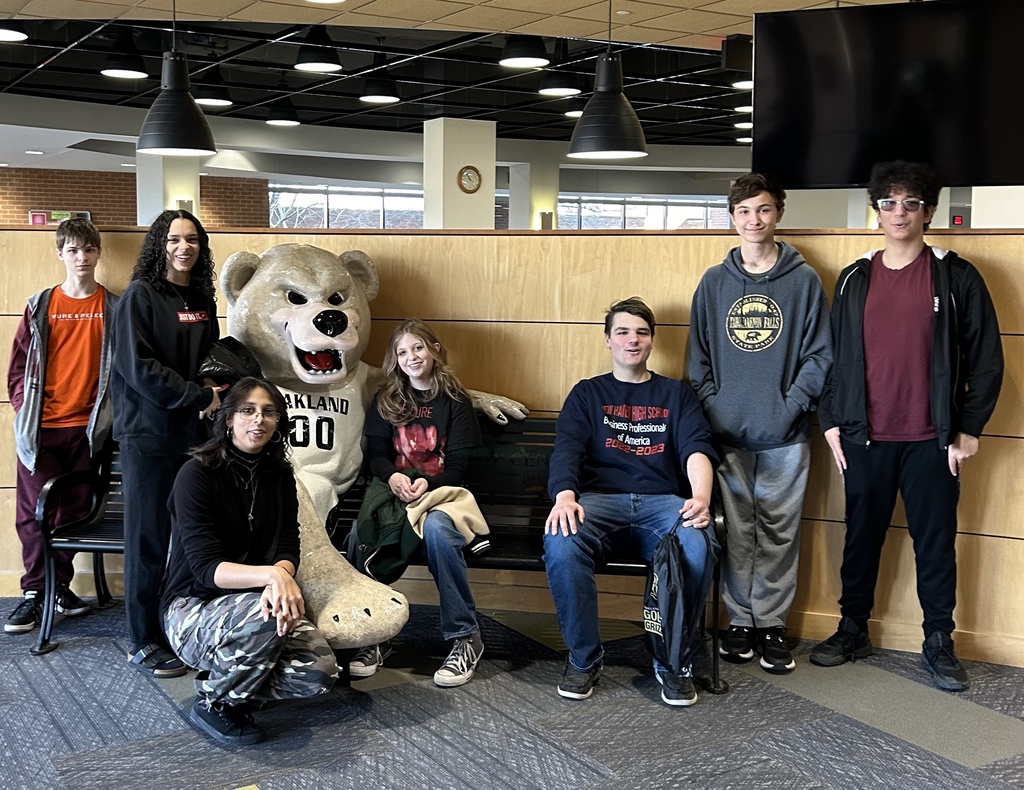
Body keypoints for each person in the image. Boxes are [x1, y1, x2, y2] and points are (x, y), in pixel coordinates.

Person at [811, 161, 1003, 691]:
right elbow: (834, 358)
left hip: (932, 441)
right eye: (889, 203)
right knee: (860, 539)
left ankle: (939, 640)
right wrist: (831, 420)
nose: (899, 212)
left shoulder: (956, 275)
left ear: (928, 212)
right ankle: (852, 629)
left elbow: (987, 358)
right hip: (864, 437)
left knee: (934, 545)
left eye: (911, 203)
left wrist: (969, 429)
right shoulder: (854, 278)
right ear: (877, 212)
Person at [688, 173, 832, 674]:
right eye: (745, 211)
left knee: (778, 532)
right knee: (735, 531)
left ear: (779, 214)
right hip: (725, 434)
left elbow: (819, 356)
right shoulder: (713, 282)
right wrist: (717, 407)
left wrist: (790, 406)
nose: (754, 220)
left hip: (785, 435)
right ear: (732, 218)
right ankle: (739, 621)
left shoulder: (804, 281)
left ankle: (771, 623)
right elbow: (697, 359)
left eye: (764, 209)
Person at [544, 297, 718, 707]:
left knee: (697, 545)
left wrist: (700, 498)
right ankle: (584, 658)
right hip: (598, 504)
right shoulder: (587, 393)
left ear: (652, 340)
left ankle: (673, 660)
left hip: (663, 505)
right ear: (608, 340)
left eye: (641, 332)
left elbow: (696, 448)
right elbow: (567, 450)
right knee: (561, 542)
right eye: (622, 331)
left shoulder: (676, 394)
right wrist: (565, 496)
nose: (632, 339)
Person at [163, 377, 338, 745]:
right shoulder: (195, 474)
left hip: (256, 601)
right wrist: (274, 577)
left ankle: (236, 675)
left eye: (269, 412)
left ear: (278, 423)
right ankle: (215, 701)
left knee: (320, 672)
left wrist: (280, 575)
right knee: (267, 618)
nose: (259, 419)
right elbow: (206, 570)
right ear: (229, 419)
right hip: (192, 607)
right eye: (247, 410)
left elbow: (288, 546)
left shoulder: (280, 476)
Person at [111, 209, 222, 677]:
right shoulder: (140, 295)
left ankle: (176, 627)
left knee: (190, 537)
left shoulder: (201, 298)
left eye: (192, 239)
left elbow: (210, 354)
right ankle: (142, 639)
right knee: (149, 540)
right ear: (160, 244)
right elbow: (139, 369)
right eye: (174, 239)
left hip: (193, 438)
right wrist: (197, 395)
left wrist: (215, 384)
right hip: (149, 437)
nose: (183, 247)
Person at [348, 320, 486, 688]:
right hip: (395, 494)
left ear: (435, 350)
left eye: (419, 347)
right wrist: (393, 478)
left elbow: (458, 468)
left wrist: (428, 483)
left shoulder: (455, 401)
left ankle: (465, 637)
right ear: (395, 359)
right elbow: (377, 455)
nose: (411, 357)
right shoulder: (386, 399)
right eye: (402, 352)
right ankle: (375, 633)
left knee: (439, 532)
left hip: (442, 496)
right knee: (359, 533)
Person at [6, 219, 118, 633]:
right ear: (60, 254)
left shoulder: (114, 307)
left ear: (98, 253)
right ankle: (36, 592)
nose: (81, 258)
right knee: (35, 513)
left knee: (73, 511)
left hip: (88, 431)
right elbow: (18, 367)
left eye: (88, 250)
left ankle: (57, 587)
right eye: (72, 250)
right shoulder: (40, 305)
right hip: (42, 430)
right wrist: (24, 408)